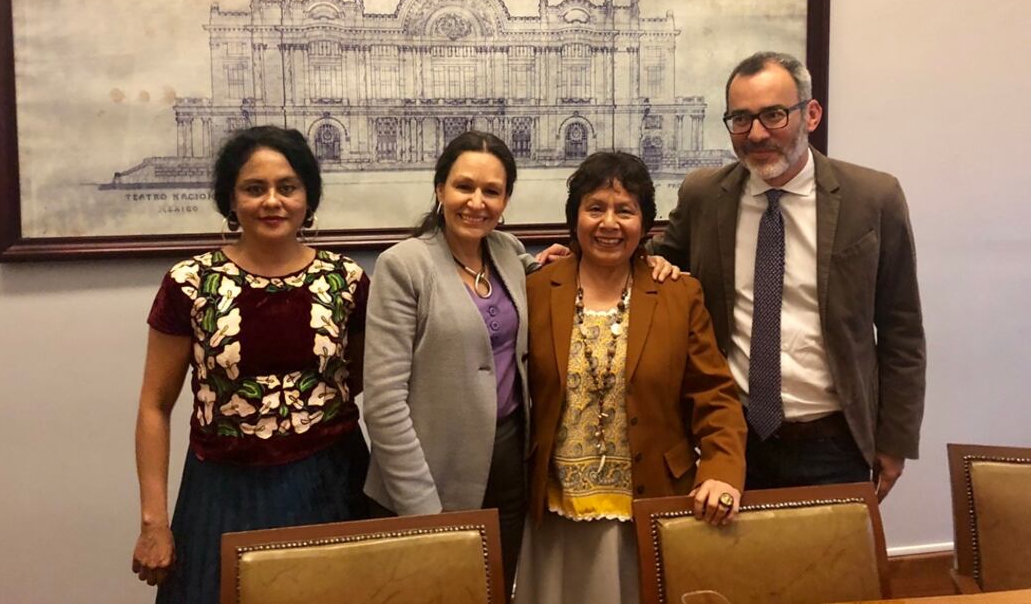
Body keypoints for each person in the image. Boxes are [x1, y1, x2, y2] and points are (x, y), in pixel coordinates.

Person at [361, 131, 676, 591]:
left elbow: (574, 277)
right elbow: (384, 405)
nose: (477, 202)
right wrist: (423, 509)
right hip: (429, 473)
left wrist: (651, 263)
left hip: (509, 470)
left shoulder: (508, 254)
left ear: (506, 199)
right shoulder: (403, 266)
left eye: (492, 191)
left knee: (494, 590)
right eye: (464, 186)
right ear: (440, 188)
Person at [650, 51, 926, 501]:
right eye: (741, 119)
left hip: (834, 443)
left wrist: (895, 440)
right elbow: (652, 263)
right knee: (728, 551)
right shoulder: (704, 196)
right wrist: (568, 258)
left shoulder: (872, 199)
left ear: (811, 114)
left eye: (774, 115)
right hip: (730, 444)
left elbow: (903, 330)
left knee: (833, 552)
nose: (757, 133)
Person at [131, 126, 370, 602]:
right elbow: (154, 406)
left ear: (308, 197)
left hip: (332, 485)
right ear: (231, 199)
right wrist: (153, 522)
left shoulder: (346, 280)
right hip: (224, 492)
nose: (272, 201)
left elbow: (359, 380)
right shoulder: (190, 283)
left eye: (287, 187)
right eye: (254, 188)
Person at [516, 152, 746, 604]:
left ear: (645, 223)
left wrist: (721, 472)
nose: (609, 223)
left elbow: (715, 396)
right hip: (557, 513)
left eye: (625, 210)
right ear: (575, 217)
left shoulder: (678, 293)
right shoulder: (537, 289)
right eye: (595, 208)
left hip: (654, 499)